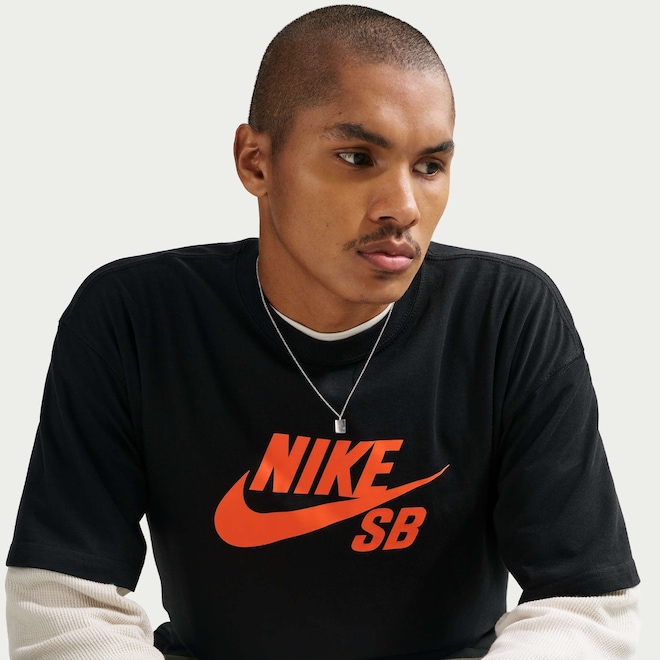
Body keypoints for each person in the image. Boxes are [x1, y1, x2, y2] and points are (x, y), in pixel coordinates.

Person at [5, 5, 640, 659]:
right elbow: (62, 605)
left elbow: (585, 608)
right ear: (256, 162)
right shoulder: (134, 319)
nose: (403, 207)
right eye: (358, 157)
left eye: (429, 166)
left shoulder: (507, 316)